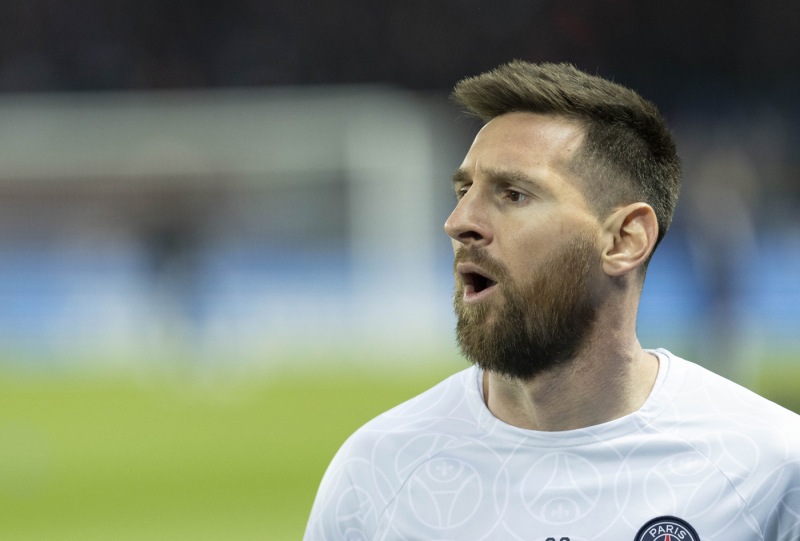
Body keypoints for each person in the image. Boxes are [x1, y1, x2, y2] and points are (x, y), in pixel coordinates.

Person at [303, 61, 800, 541]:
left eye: (514, 194)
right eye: (463, 190)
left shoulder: (770, 466)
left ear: (624, 240)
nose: (458, 222)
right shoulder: (377, 472)